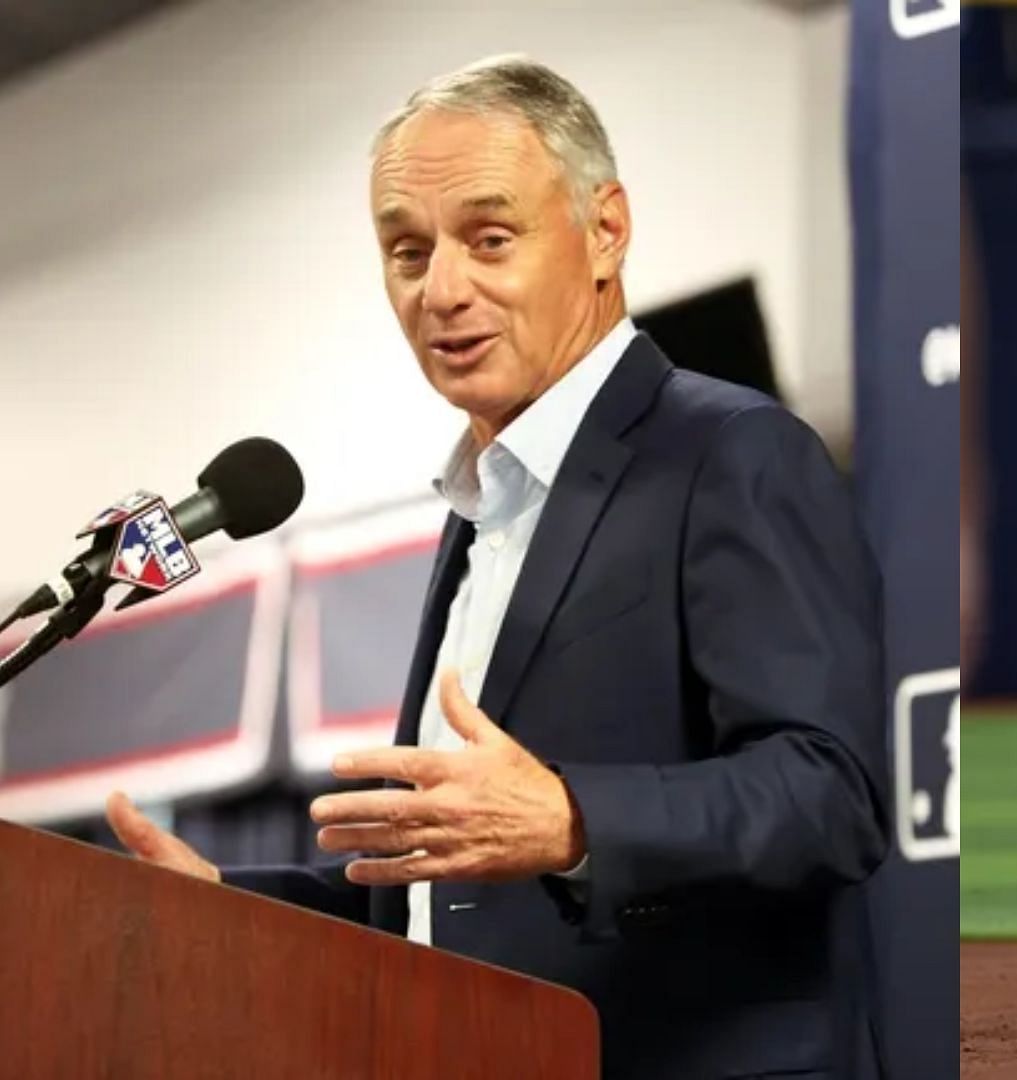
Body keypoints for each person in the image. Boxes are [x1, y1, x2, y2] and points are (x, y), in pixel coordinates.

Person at [103, 55, 890, 1079]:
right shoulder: (484, 508)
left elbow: (831, 795)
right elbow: (446, 899)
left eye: (489, 239)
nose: (443, 291)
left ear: (606, 230)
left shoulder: (730, 451)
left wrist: (572, 817)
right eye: (406, 251)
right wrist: (224, 904)